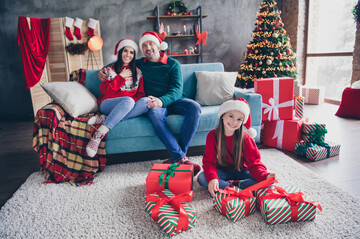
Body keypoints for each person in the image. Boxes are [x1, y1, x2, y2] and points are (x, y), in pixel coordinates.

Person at [98, 31, 202, 176]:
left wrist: (162, 100)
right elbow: (121, 61)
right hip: (152, 102)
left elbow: (177, 90)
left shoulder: (173, 64)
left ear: (158, 45)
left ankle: (178, 156)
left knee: (195, 107)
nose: (148, 47)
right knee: (153, 112)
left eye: (151, 43)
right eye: (144, 45)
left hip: (173, 100)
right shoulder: (140, 64)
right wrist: (102, 71)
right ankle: (181, 158)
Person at [197, 98, 277, 197]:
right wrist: (213, 178)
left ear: (242, 122)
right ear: (222, 116)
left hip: (243, 171)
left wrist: (265, 176)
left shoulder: (246, 138)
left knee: (267, 185)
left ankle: (235, 185)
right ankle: (232, 186)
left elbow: (255, 163)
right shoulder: (212, 135)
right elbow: (209, 161)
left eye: (239, 119)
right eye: (231, 116)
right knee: (202, 178)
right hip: (223, 170)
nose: (234, 122)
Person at [86, 38, 150, 158]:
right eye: (125, 51)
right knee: (128, 100)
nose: (128, 55)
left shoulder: (138, 72)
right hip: (108, 104)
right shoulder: (109, 70)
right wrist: (120, 77)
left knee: (147, 101)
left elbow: (140, 94)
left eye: (131, 52)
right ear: (120, 52)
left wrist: (130, 104)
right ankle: (99, 135)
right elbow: (106, 91)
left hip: (127, 105)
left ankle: (105, 119)